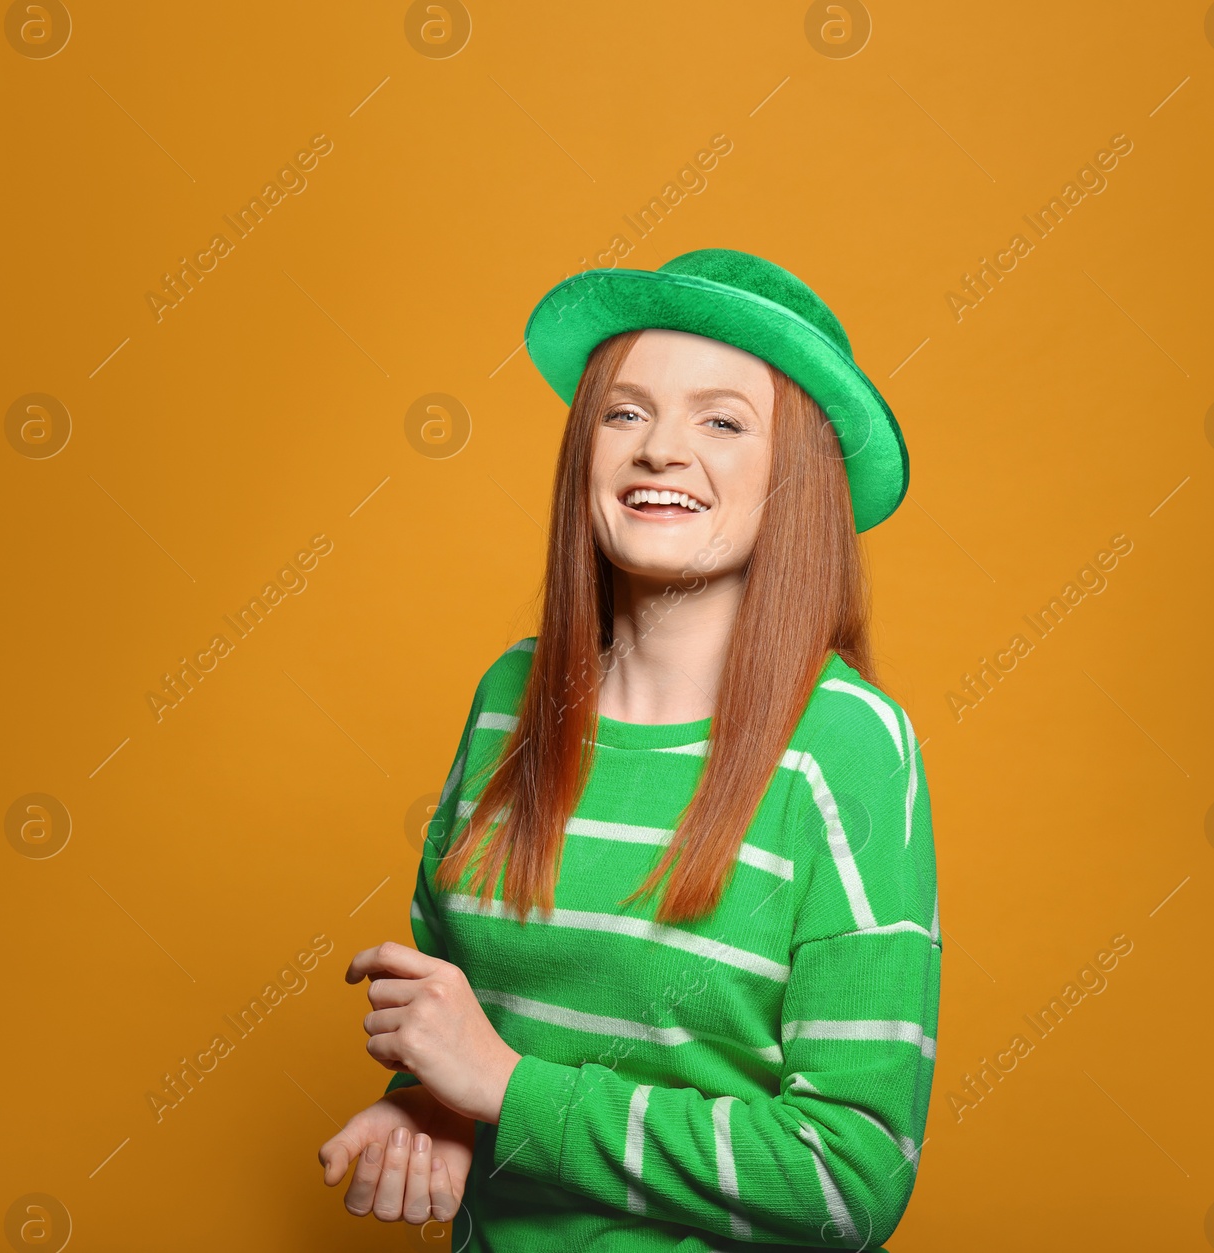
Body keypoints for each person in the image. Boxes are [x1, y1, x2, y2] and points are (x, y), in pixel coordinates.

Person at [319, 247, 940, 1251]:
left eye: (723, 420)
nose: (659, 448)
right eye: (625, 410)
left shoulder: (846, 744)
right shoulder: (507, 699)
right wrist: (431, 1109)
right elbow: (463, 1023)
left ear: (797, 478)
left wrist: (509, 1092)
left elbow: (848, 1177)